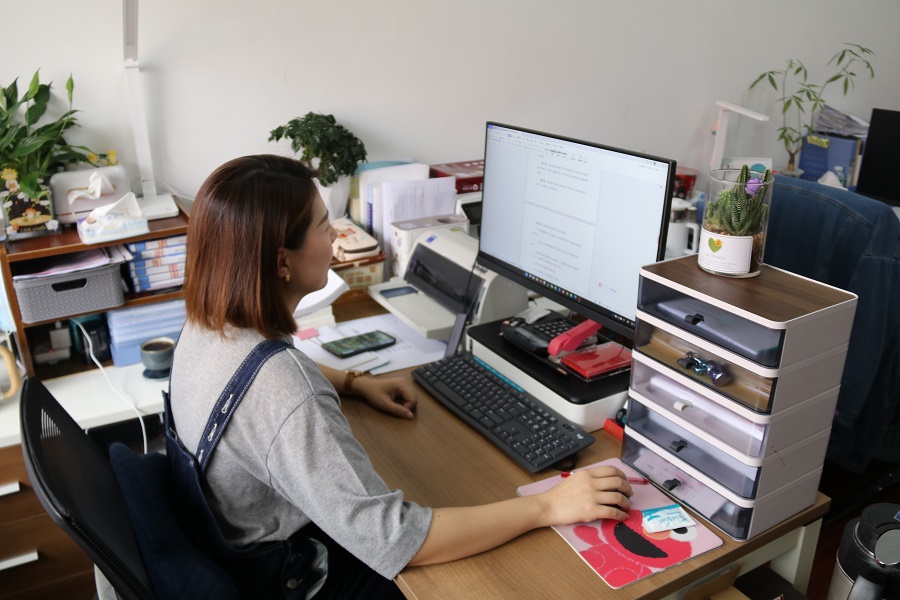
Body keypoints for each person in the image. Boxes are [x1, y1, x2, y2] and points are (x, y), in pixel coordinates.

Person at [170, 154, 633, 598]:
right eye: (322, 225)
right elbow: (396, 538)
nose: (335, 234)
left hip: (230, 543)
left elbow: (263, 388)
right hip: (299, 578)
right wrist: (548, 505)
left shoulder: (208, 322)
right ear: (280, 261)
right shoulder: (284, 388)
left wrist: (354, 382)